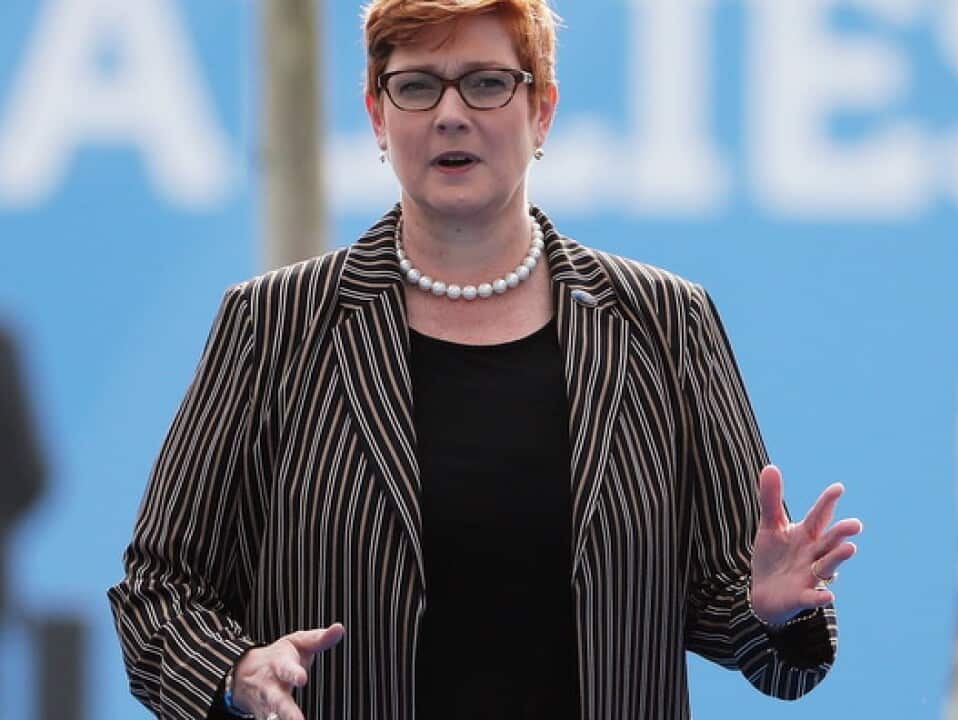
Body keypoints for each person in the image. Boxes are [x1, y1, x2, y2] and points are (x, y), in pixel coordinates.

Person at [108, 1, 864, 718]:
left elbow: (741, 616)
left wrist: (770, 608)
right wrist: (235, 671)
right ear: (377, 115)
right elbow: (159, 589)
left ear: (543, 111)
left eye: (486, 82)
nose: (449, 113)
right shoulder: (273, 326)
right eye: (414, 86)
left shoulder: (664, 323)